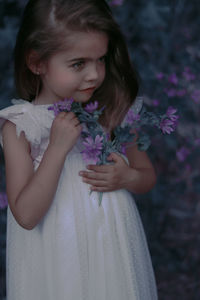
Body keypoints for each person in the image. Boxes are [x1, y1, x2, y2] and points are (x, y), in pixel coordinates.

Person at [0, 0, 158, 299]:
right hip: (56, 257)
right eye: (78, 64)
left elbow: (146, 175)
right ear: (36, 63)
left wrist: (127, 178)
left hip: (112, 251)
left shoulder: (112, 111)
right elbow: (26, 215)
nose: (95, 75)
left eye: (100, 59)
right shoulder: (21, 127)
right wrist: (57, 149)